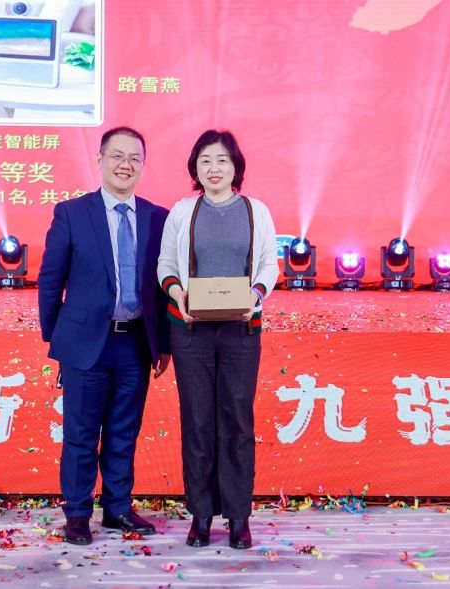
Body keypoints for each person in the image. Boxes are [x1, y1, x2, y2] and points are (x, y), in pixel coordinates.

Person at [38, 126, 171, 546]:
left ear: (143, 165)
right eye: (117, 155)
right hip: (85, 345)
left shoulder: (157, 217)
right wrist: (57, 339)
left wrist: (163, 343)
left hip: (135, 343)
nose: (125, 165)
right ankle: (78, 513)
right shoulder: (72, 213)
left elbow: (162, 286)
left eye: (134, 158)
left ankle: (117, 508)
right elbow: (50, 281)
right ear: (100, 160)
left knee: (123, 431)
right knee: (80, 434)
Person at [157, 129, 278, 549]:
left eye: (222, 160)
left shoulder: (256, 211)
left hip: (241, 330)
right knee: (197, 421)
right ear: (195, 167)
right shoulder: (182, 211)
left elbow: (269, 264)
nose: (214, 168)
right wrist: (178, 293)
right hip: (190, 331)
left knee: (237, 420)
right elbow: (166, 263)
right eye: (205, 160)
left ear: (235, 167)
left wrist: (256, 296)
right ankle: (202, 514)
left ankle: (239, 516)